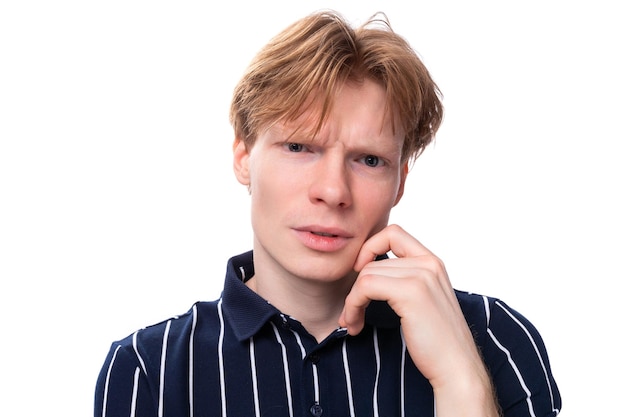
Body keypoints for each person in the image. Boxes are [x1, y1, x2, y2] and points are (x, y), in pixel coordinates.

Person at [95, 10, 561, 417]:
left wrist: (464, 386)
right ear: (243, 157)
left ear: (400, 180)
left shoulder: (495, 337)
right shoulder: (147, 371)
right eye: (299, 147)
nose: (334, 191)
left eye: (369, 160)